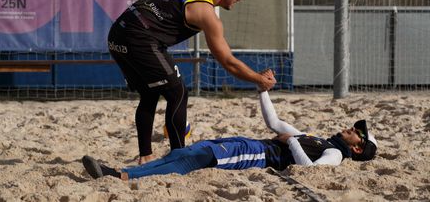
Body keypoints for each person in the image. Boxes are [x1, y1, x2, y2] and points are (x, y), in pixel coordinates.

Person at [107, 0, 277, 164]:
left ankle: (146, 155)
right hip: (141, 39)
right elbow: (228, 62)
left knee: (150, 93)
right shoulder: (206, 13)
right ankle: (180, 158)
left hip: (117, 33)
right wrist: (258, 79)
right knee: (177, 93)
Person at [82, 72, 378, 180]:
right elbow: (274, 122)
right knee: (187, 151)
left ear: (357, 146)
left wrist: (292, 142)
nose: (350, 127)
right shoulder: (322, 140)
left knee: (193, 159)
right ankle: (124, 173)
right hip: (251, 143)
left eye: (356, 131)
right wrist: (262, 89)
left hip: (257, 156)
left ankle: (121, 175)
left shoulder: (337, 155)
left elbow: (310, 172)